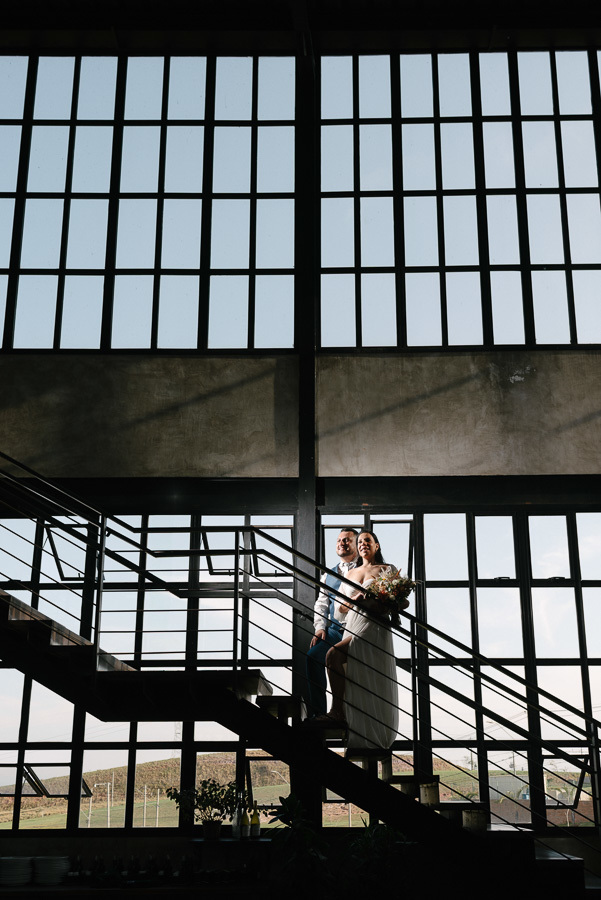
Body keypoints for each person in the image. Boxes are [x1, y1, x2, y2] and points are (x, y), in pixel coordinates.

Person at [319, 530, 407, 749]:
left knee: (333, 654)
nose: (363, 544)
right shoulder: (350, 574)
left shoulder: (387, 570)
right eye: (360, 542)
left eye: (367, 540)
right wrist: (356, 598)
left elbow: (402, 603)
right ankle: (348, 717)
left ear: (377, 545)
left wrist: (381, 601)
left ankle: (337, 711)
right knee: (350, 669)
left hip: (374, 626)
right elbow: (339, 610)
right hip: (352, 625)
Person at [305, 528, 359, 717]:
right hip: (335, 630)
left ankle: (350, 713)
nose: (342, 543)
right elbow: (321, 603)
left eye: (347, 540)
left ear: (356, 544)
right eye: (339, 540)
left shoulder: (365, 567)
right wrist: (320, 628)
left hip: (357, 630)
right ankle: (318, 713)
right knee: (313, 657)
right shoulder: (328, 574)